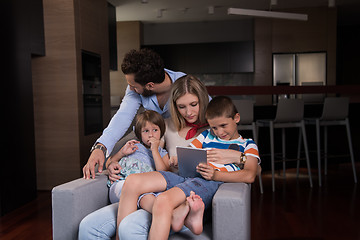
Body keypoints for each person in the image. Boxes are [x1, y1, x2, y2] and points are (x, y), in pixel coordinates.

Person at [78, 75, 209, 240]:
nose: (188, 112)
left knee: (129, 227)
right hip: (155, 188)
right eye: (182, 106)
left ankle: (175, 213)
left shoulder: (216, 128)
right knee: (88, 227)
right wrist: (111, 161)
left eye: (193, 105)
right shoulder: (166, 126)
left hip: (177, 193)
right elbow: (147, 147)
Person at [116, 96, 261, 240]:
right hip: (186, 176)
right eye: (214, 127)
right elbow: (189, 152)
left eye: (223, 126)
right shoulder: (206, 136)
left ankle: (181, 214)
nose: (219, 132)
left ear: (236, 118)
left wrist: (215, 175)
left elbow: (250, 175)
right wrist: (177, 160)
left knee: (163, 201)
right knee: (132, 181)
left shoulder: (247, 145)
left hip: (207, 181)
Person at [82, 48, 186, 180]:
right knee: (100, 164)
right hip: (145, 133)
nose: (130, 89)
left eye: (134, 86)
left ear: (150, 85)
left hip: (176, 132)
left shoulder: (185, 84)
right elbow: (123, 116)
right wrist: (100, 147)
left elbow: (209, 113)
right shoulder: (136, 86)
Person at [106, 110, 169, 204]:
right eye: (146, 131)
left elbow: (164, 174)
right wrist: (122, 153)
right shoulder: (133, 146)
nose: (151, 135)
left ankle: (161, 211)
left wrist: (155, 150)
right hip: (122, 185)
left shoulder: (162, 153)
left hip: (144, 190)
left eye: (155, 130)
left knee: (150, 197)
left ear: (161, 131)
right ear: (140, 133)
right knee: (139, 194)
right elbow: (109, 162)